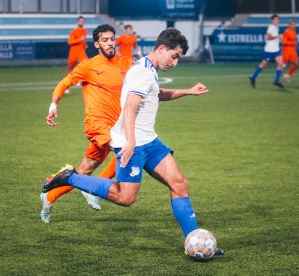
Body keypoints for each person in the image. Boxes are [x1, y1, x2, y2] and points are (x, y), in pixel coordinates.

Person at [42, 28, 224, 255]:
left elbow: (157, 94)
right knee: (125, 197)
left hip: (151, 142)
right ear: (161, 49)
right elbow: (129, 108)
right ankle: (70, 177)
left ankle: (194, 240)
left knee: (180, 185)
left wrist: (187, 91)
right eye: (174, 56)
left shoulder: (148, 69)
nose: (175, 62)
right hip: (134, 144)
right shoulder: (143, 72)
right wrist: (129, 143)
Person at [41, 24, 134, 223]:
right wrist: (53, 105)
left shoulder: (126, 63)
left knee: (83, 172)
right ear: (97, 43)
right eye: (105, 40)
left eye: (112, 39)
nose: (110, 43)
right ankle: (96, 187)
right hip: (97, 126)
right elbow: (64, 83)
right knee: (126, 151)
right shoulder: (88, 66)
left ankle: (49, 197)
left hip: (116, 128)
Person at [249, 14, 284, 88]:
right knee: (264, 64)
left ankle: (276, 81)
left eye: (278, 19)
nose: (277, 21)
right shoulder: (271, 27)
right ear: (272, 20)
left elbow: (278, 38)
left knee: (280, 63)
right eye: (275, 19)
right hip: (269, 50)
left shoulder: (277, 28)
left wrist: (281, 39)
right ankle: (253, 77)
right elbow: (268, 37)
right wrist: (278, 36)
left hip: (276, 50)